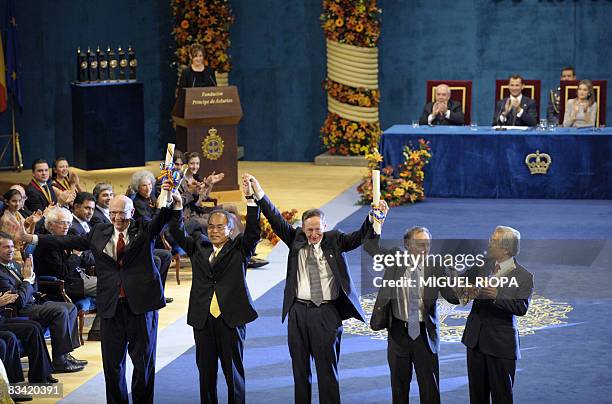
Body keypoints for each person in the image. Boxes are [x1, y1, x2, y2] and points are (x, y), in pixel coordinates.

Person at [15, 182, 181, 403]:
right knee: (112, 366)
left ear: (131, 212)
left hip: (141, 308)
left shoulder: (144, 228)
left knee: (143, 364)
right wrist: (31, 238)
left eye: (121, 213)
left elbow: (162, 217)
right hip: (111, 308)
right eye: (112, 213)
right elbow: (64, 240)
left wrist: (172, 200)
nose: (117, 218)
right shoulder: (98, 232)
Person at [245, 173, 368, 404]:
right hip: (298, 313)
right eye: (309, 230)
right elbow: (273, 216)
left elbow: (360, 237)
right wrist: (258, 193)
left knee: (327, 370)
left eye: (317, 230)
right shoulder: (295, 240)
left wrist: (374, 217)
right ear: (302, 228)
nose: (313, 235)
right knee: (300, 371)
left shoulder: (336, 240)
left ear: (325, 226)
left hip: (327, 313)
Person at [169, 174, 260, 404]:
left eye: (220, 227)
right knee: (206, 374)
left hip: (230, 318)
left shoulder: (240, 249)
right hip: (204, 320)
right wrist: (178, 206)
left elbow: (253, 233)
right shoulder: (199, 246)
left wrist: (251, 201)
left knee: (233, 373)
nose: (214, 231)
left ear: (230, 230)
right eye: (211, 226)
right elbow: (177, 232)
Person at [365, 213, 460, 404]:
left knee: (430, 387)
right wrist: (375, 222)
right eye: (420, 244)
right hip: (398, 331)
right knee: (399, 386)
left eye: (427, 244)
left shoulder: (436, 266)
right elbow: (370, 246)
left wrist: (453, 274)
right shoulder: (394, 258)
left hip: (425, 334)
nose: (425, 249)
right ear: (408, 245)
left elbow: (453, 298)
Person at [461, 226, 534, 403]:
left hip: (501, 346)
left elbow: (521, 307)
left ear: (506, 248)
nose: (489, 242)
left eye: (493, 240)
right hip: (475, 341)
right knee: (477, 396)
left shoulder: (524, 276)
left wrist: (497, 296)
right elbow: (461, 281)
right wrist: (465, 289)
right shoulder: (482, 265)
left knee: (502, 396)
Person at [0, 233, 85, 373]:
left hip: (34, 301)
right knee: (60, 311)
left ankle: (65, 354)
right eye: (5, 247)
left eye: (11, 246)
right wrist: (27, 280)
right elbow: (19, 301)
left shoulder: (15, 265)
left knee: (70, 307)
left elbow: (34, 287)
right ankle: (60, 361)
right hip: (21, 310)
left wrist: (31, 277)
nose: (10, 250)